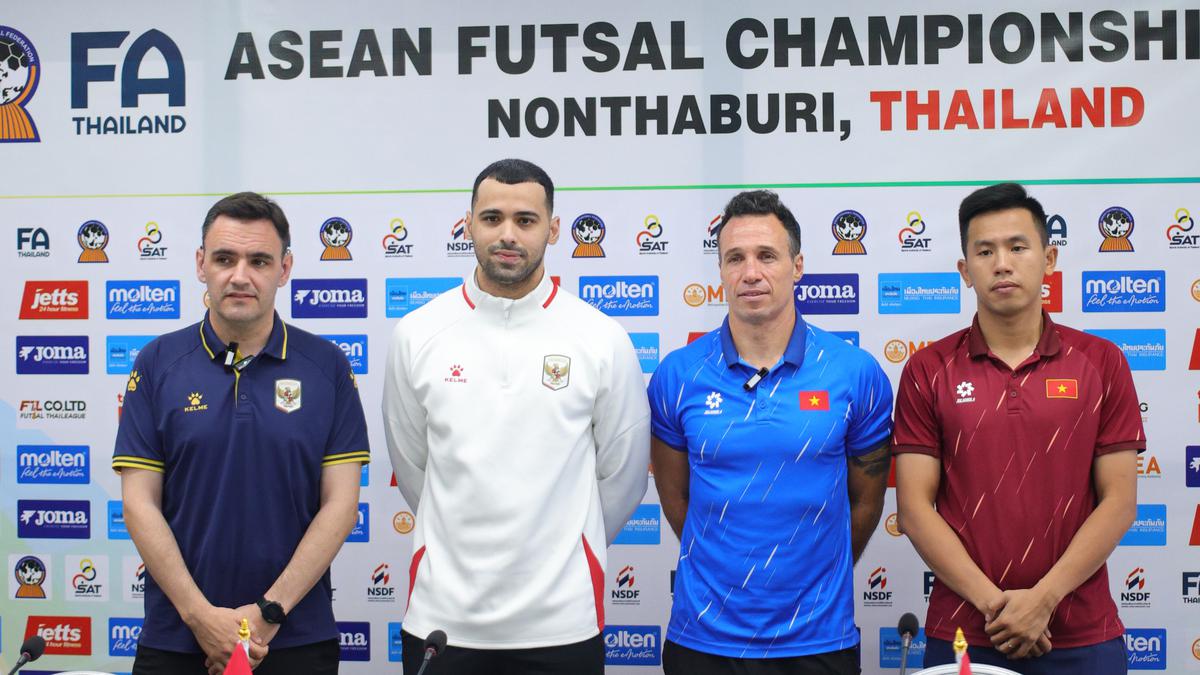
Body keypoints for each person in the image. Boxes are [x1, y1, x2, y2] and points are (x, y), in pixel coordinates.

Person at [383, 158, 651, 674]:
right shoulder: (418, 333)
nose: (508, 234)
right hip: (443, 622)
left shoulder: (601, 338)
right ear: (468, 224)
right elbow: (413, 467)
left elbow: (622, 479)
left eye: (526, 220)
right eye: (492, 218)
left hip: (562, 623)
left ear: (553, 229)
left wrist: (566, 549)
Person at [114, 192, 370, 675]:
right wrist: (201, 618)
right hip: (178, 636)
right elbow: (138, 504)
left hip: (295, 636)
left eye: (259, 261)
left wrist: (268, 613)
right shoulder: (157, 363)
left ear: (284, 268)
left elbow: (341, 504)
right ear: (201, 264)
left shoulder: (327, 366)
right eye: (224, 259)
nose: (240, 276)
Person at [894, 183, 1141, 673]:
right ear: (965, 270)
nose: (1002, 264)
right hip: (966, 633)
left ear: (1049, 259)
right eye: (985, 251)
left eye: (1017, 247)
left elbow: (1119, 502)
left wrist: (1043, 600)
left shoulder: (1101, 361)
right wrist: (1001, 610)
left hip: (1081, 633)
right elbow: (914, 510)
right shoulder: (928, 369)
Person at [649, 189, 893, 674]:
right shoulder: (677, 374)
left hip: (819, 638)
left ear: (797, 266)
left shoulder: (854, 372)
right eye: (735, 258)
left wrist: (816, 571)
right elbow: (677, 499)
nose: (751, 272)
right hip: (703, 638)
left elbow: (866, 501)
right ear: (720, 270)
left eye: (767, 256)